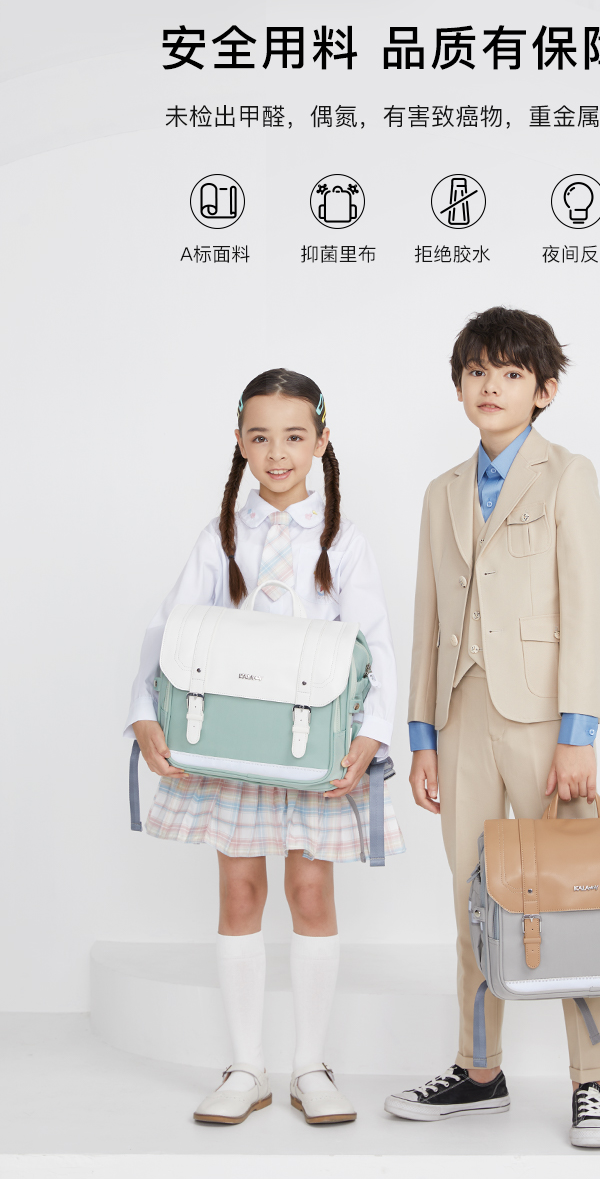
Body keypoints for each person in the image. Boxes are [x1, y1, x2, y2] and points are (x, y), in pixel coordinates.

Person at [126, 368, 403, 1128]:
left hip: (313, 747)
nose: (277, 453)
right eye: (260, 436)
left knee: (310, 893)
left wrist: (372, 731)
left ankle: (310, 1064)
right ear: (240, 443)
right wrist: (145, 712)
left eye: (293, 436)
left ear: (321, 439)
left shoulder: (343, 540)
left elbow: (376, 640)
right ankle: (246, 1066)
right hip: (233, 746)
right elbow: (168, 628)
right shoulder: (221, 536)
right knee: (240, 892)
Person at [384, 306, 600, 1147]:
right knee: (474, 900)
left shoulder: (567, 476)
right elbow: (427, 618)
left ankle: (593, 1082)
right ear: (460, 387)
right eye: (477, 371)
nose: (491, 385)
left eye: (511, 373)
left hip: (546, 724)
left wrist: (579, 729)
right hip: (461, 720)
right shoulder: (441, 492)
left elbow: (589, 602)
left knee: (574, 899)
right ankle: (479, 1069)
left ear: (543, 390)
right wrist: (423, 736)